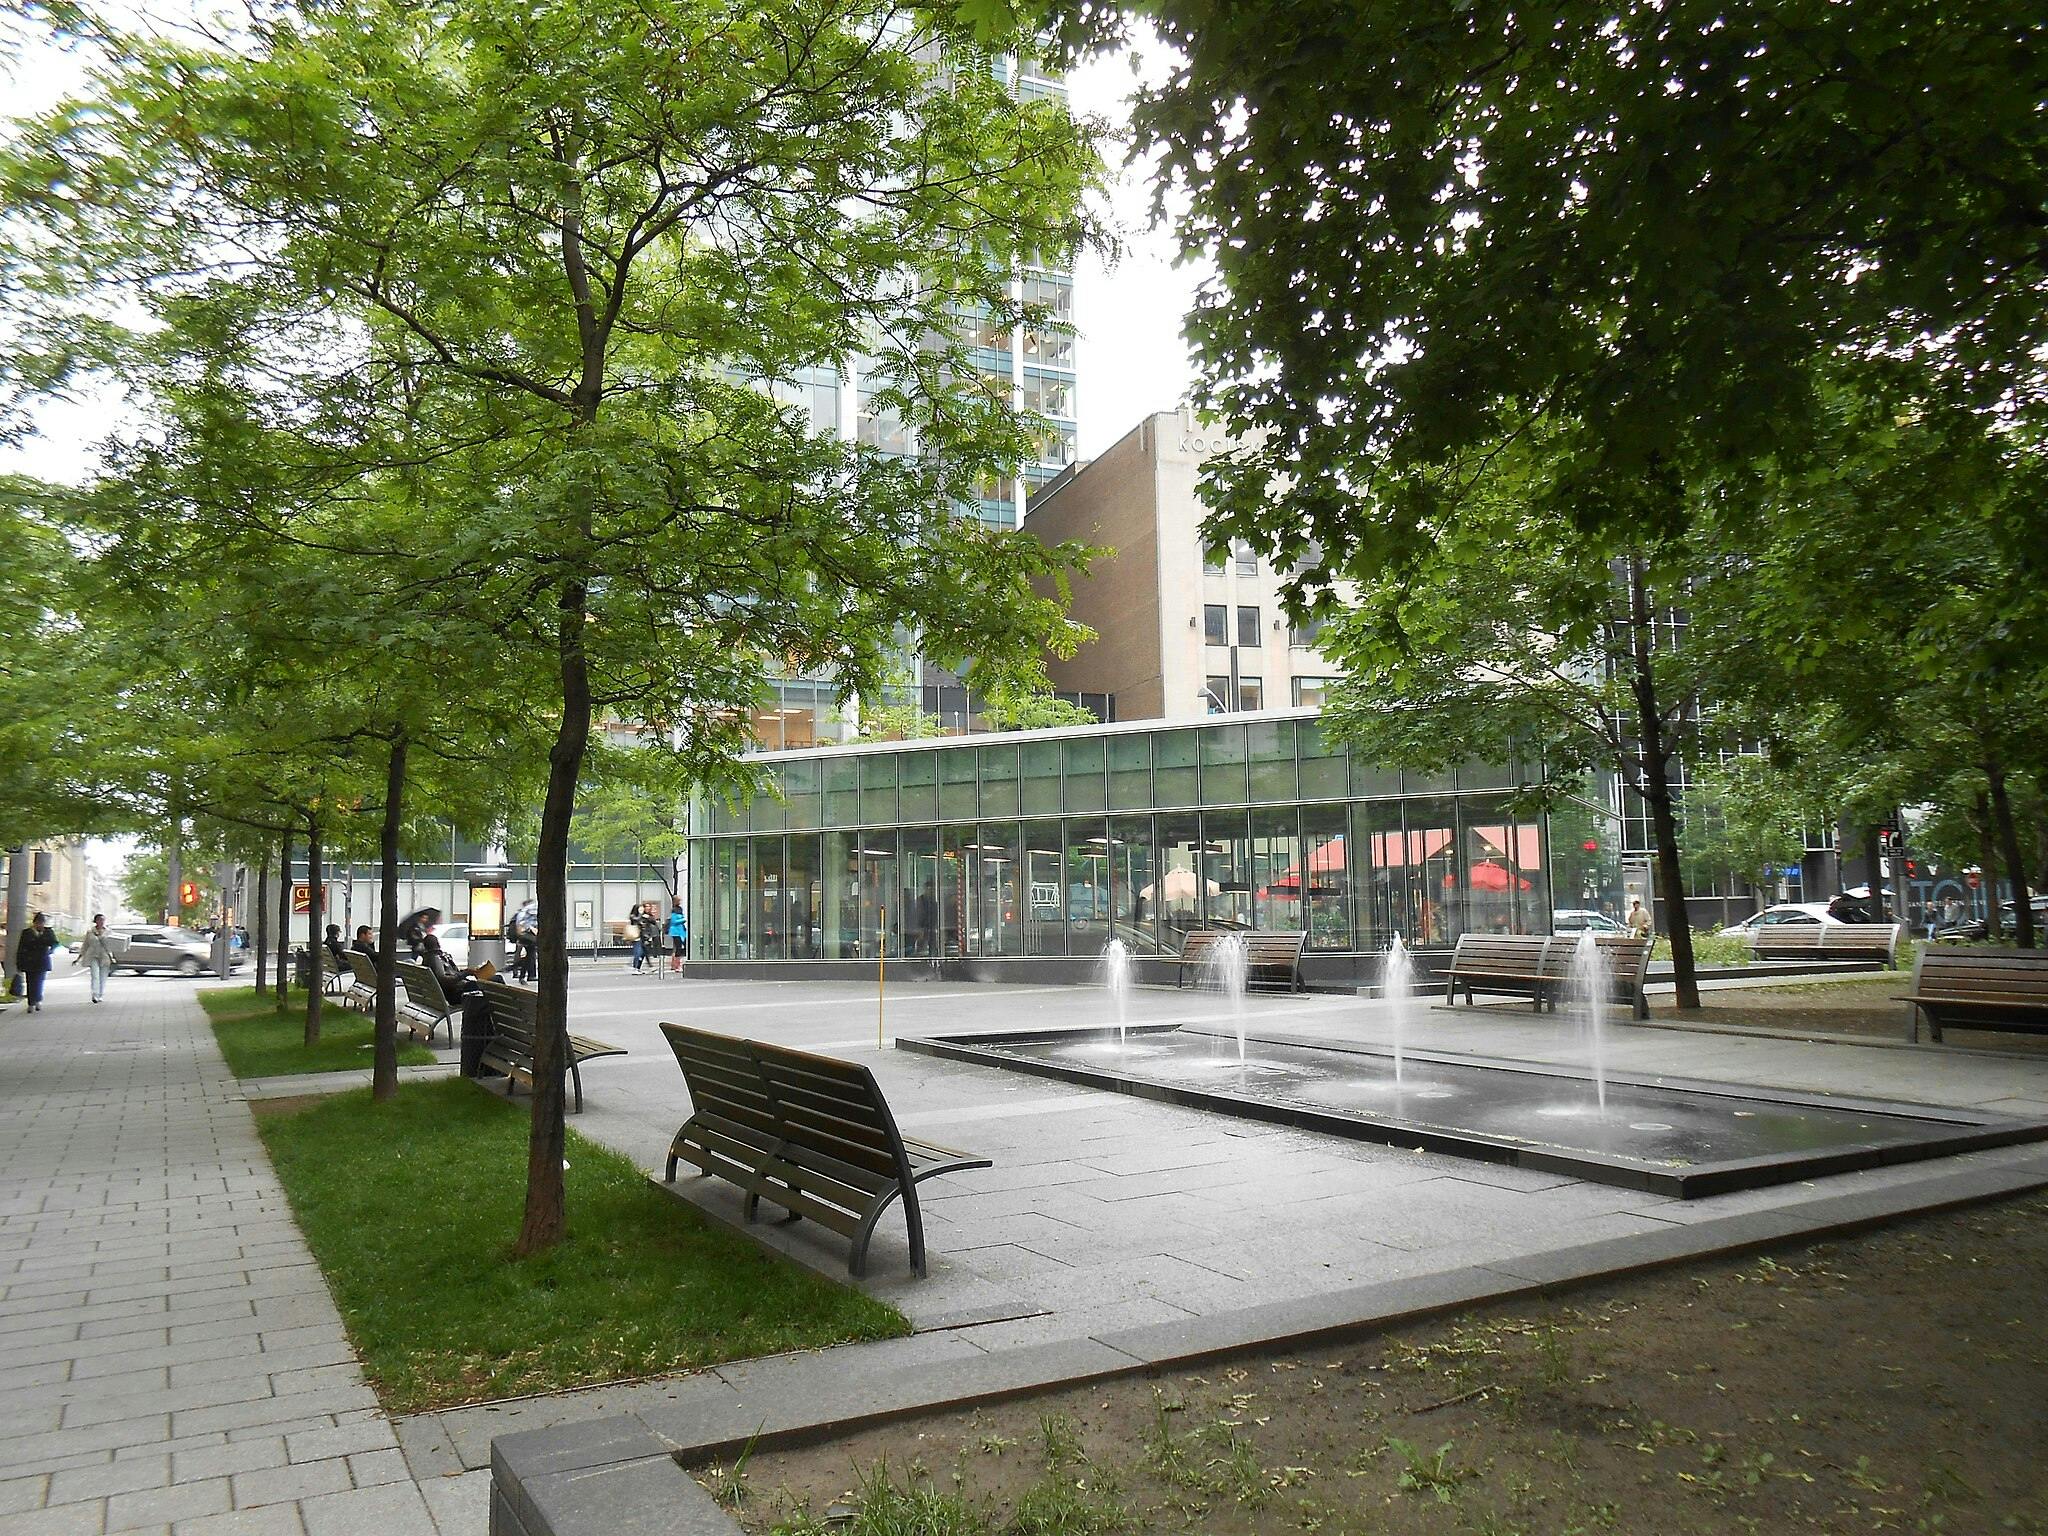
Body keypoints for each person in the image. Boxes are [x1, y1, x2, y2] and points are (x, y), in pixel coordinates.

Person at [419, 930, 481, 1001]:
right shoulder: (434, 959)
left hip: (445, 993)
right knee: (482, 988)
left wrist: (465, 972)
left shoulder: (429, 958)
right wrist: (465, 973)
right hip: (453, 994)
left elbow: (451, 973)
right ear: (438, 944)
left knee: (478, 986)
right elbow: (444, 980)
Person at [15, 912, 57, 1013]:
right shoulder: (27, 932)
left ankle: (37, 1000)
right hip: (29, 961)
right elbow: (21, 948)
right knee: (30, 982)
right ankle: (31, 1003)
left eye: (42, 923)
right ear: (34, 923)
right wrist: (19, 963)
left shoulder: (48, 932)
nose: (40, 925)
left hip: (42, 960)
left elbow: (55, 943)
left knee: (39, 981)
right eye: (38, 923)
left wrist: (51, 950)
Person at [75, 914, 118, 1005]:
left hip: (105, 956)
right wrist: (79, 957)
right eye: (99, 920)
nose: (101, 922)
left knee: (103, 976)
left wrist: (114, 957)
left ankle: (100, 994)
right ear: (95, 921)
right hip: (93, 956)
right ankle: (95, 994)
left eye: (103, 920)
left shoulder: (109, 932)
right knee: (95, 975)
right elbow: (85, 945)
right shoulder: (90, 932)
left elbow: (113, 945)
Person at [665, 900, 689, 972]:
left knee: (678, 948)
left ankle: (675, 964)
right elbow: (674, 921)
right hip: (676, 931)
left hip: (680, 931)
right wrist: (683, 920)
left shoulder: (679, 909)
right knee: (678, 947)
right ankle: (677, 965)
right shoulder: (674, 911)